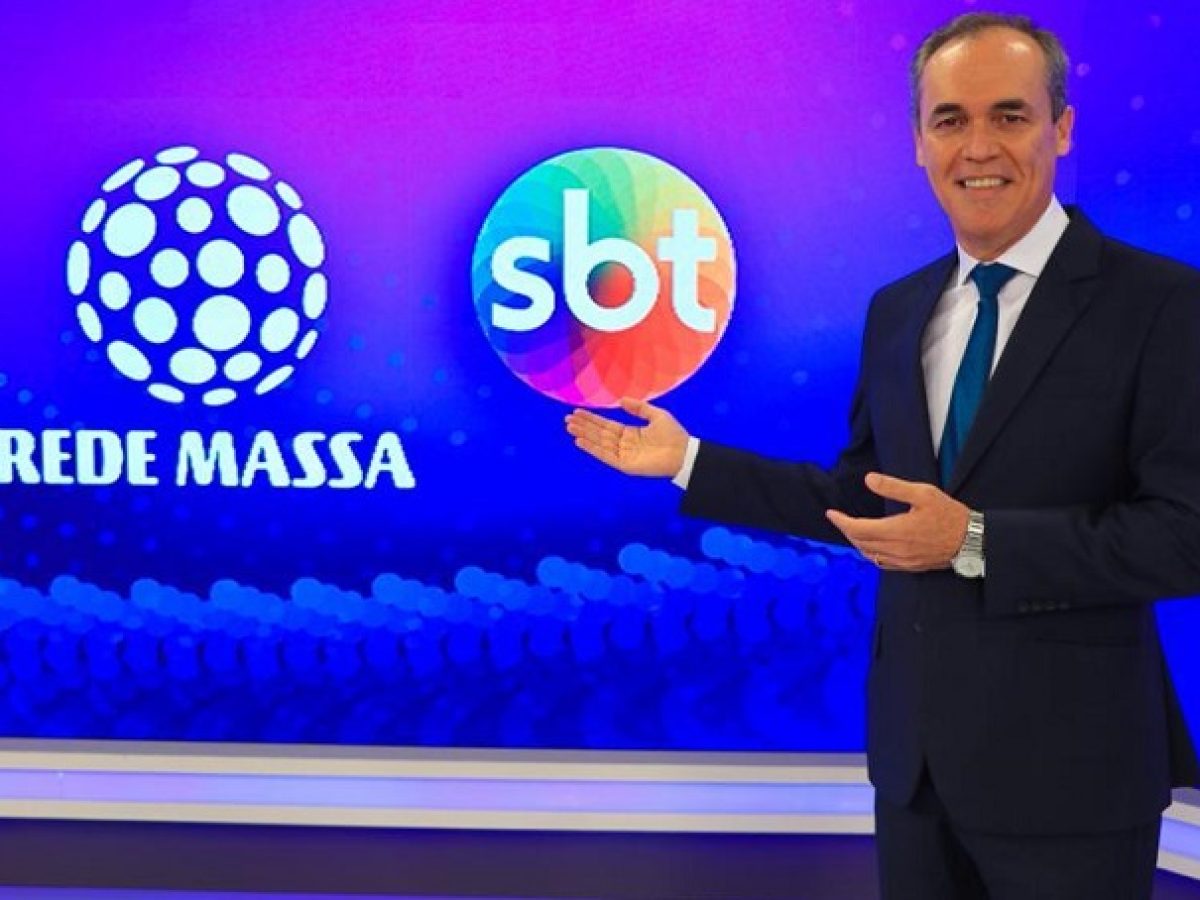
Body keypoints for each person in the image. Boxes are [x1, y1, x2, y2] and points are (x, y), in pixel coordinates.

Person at [565, 11, 1200, 899]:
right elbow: (867, 501)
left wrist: (975, 540)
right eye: (950, 120)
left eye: (1010, 115)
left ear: (1060, 128)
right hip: (916, 776)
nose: (978, 147)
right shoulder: (898, 311)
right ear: (918, 143)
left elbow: (1182, 535)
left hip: (1075, 778)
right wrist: (689, 461)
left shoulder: (1163, 304)